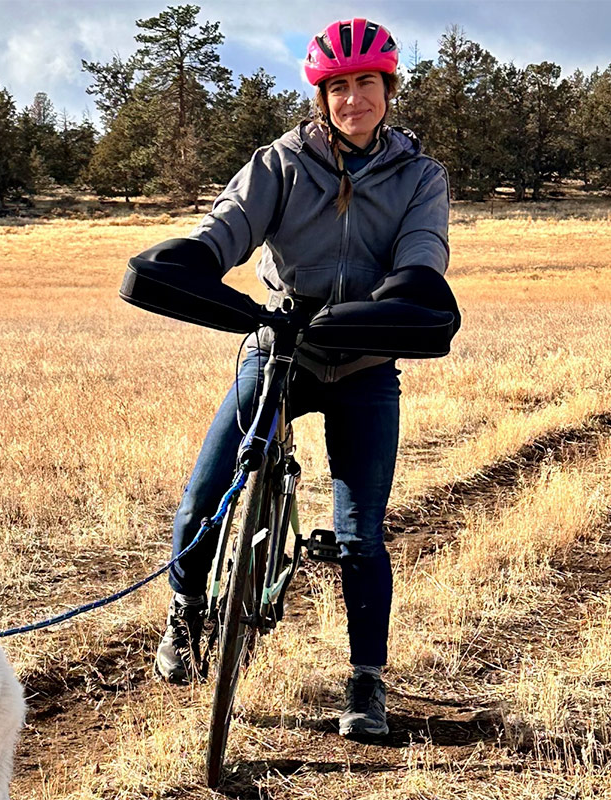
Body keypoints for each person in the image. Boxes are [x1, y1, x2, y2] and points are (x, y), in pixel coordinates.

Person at [147, 18, 451, 740]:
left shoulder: (420, 177)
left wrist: (399, 299)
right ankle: (186, 610)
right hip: (280, 348)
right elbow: (228, 227)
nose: (354, 100)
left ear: (388, 89)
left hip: (365, 358)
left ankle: (366, 683)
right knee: (207, 494)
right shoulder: (280, 163)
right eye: (339, 86)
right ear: (322, 96)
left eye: (367, 84)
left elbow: (422, 255)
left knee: (361, 536)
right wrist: (194, 258)